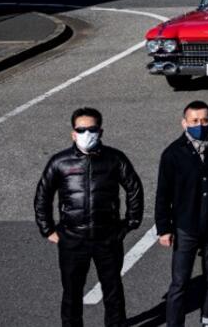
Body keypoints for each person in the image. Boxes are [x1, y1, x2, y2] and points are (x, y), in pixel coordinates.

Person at [34, 107, 144, 327]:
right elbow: (42, 196)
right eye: (81, 129)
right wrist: (48, 229)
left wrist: (129, 224)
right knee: (72, 293)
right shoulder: (60, 161)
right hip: (72, 240)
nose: (86, 133)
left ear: (100, 131)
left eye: (91, 129)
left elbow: (134, 188)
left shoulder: (115, 159)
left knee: (113, 291)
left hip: (107, 238)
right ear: (73, 133)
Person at [155, 101, 208, 327]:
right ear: (184, 123)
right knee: (180, 282)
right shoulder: (173, 154)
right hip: (186, 227)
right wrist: (163, 228)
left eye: (204, 120)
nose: (199, 125)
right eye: (194, 121)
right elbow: (163, 194)